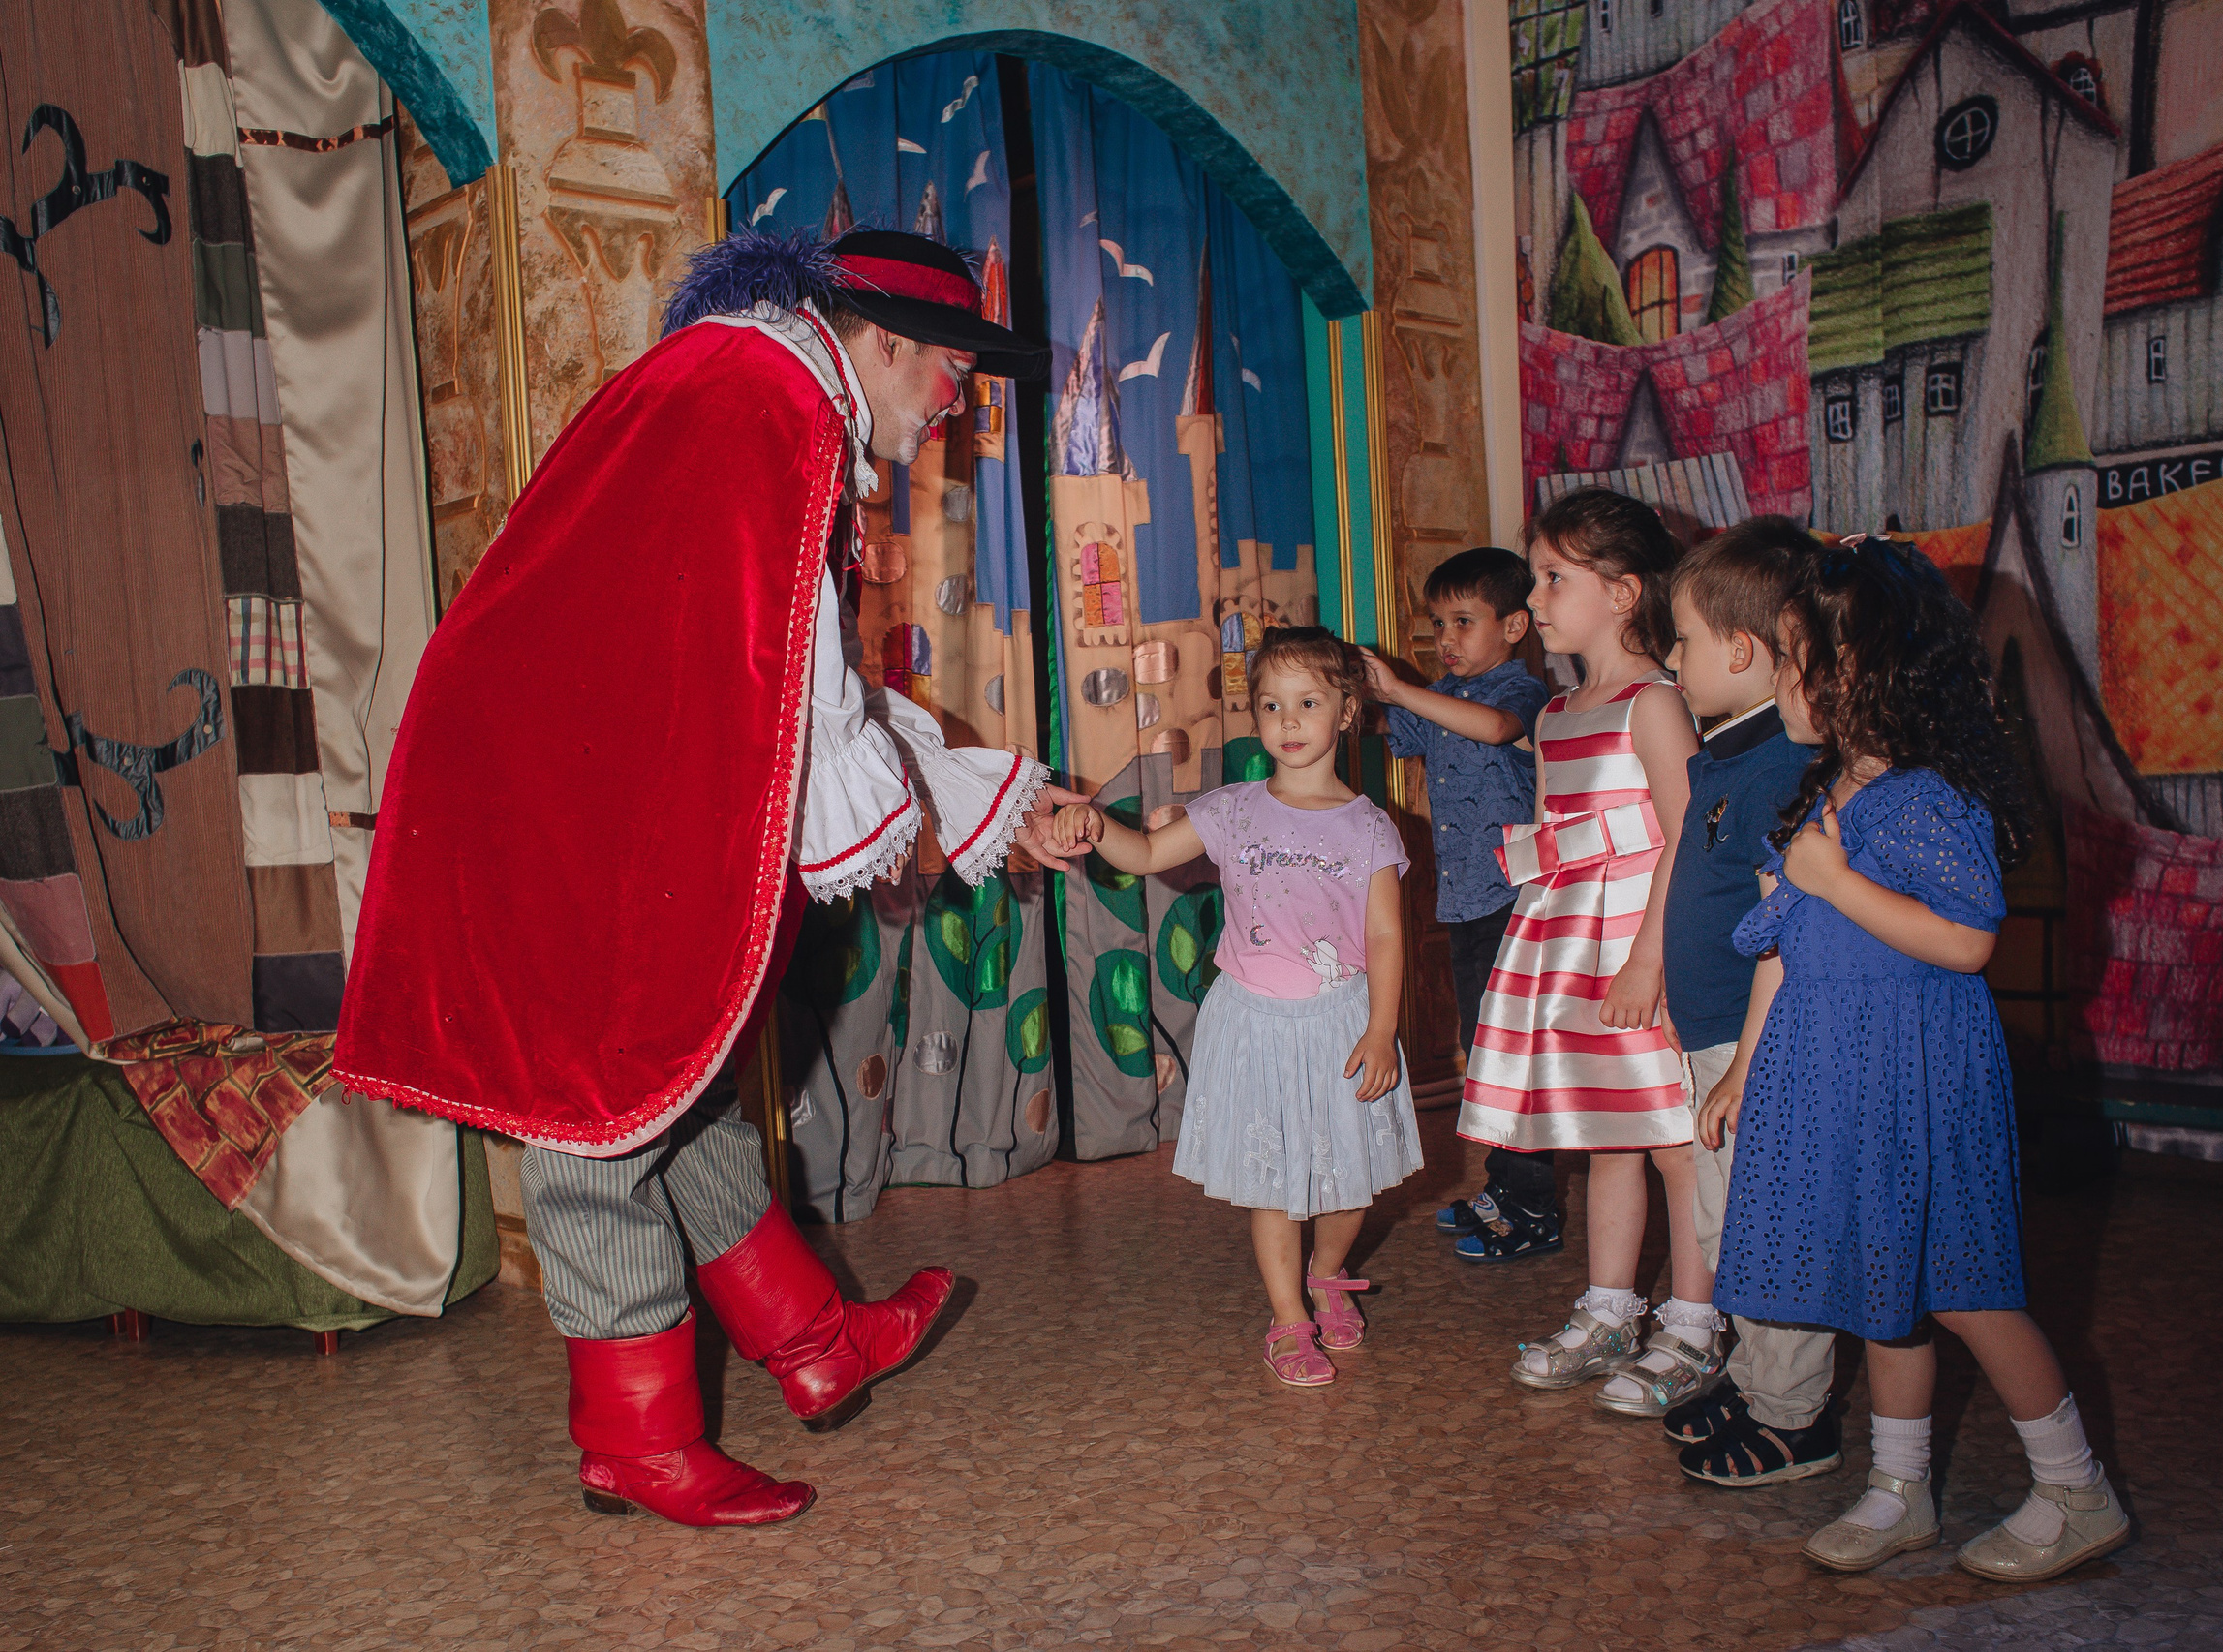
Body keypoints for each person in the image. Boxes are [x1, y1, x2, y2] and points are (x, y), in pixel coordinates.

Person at [333, 229, 1084, 1528]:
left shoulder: (746, 385)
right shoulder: (769, 406)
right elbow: (799, 673)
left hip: (578, 770)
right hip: (555, 793)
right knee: (595, 1111)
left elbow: (769, 654)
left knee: (664, 1075)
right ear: (889, 342)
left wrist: (953, 790)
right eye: (952, 372)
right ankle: (635, 1437)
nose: (954, 404)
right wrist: (896, 818)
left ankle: (811, 1339)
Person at [1709, 538, 2130, 1581]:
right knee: (1878, 1283)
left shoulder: (1929, 800)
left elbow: (1967, 937)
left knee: (1966, 1285)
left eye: (1800, 659)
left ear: (1865, 676)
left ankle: (2075, 1485)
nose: (1783, 680)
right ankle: (1900, 1486)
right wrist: (1742, 1070)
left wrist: (1838, 880)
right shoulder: (1819, 798)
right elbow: (1780, 950)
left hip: (1914, 1073)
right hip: (1830, 1068)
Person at [1051, 627, 1422, 1389]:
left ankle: (1327, 1271)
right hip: (1253, 1022)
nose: (1288, 722)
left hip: (1341, 1025)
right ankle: (1288, 1321)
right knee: (1277, 1183)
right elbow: (1150, 856)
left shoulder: (1368, 828)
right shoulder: (1233, 810)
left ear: (1347, 712)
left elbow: (1385, 935)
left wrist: (1382, 1029)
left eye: (1309, 703)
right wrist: (1095, 826)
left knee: (1348, 1185)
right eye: (1272, 705)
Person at [1457, 489, 1725, 1414]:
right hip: (1571, 937)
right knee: (1610, 1131)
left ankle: (1693, 1324)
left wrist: (1650, 958)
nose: (1536, 598)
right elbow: (1554, 830)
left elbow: (1686, 834)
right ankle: (1612, 1310)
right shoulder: (1561, 713)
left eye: (1554, 578)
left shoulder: (1654, 702)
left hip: (1640, 940)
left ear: (1622, 593)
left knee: (1675, 1141)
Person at [1643, 519, 1844, 1479]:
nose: (1670, 657)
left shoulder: (1776, 771)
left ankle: (1794, 1411)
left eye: (1679, 639)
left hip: (1750, 1042)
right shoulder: (1730, 754)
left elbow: (1790, 930)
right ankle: (1760, 1374)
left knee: (1763, 1228)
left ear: (1740, 649)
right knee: (1731, 1225)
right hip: (1715, 1035)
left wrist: (1748, 1058)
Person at [1354, 548, 1558, 1262]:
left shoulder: (1524, 690)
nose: (1446, 639)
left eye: (1464, 622)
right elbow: (1391, 729)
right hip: (1467, 904)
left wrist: (1404, 691)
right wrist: (1348, 691)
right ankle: (1506, 1187)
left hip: (1514, 903)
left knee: (1513, 1056)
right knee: (1487, 1055)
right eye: (1438, 623)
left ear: (1514, 626)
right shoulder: (1442, 693)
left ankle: (1532, 1205)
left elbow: (1499, 730)